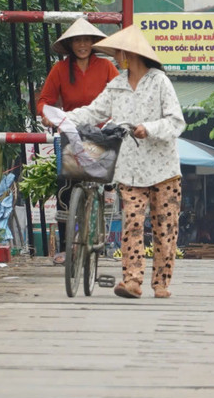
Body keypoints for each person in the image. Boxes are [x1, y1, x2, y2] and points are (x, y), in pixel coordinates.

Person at [59, 25, 185, 299]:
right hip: (128, 168)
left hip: (163, 169)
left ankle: (161, 283)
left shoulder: (160, 81)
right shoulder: (115, 86)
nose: (116, 57)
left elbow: (176, 121)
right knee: (132, 224)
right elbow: (93, 111)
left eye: (120, 52)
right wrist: (62, 118)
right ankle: (132, 281)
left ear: (131, 54)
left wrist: (148, 128)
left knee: (165, 230)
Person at [37, 18, 117, 264]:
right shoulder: (59, 70)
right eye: (77, 41)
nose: (82, 45)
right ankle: (65, 247)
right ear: (70, 44)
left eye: (86, 40)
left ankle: (102, 225)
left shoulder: (105, 67)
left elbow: (121, 94)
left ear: (93, 43)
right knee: (64, 183)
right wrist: (47, 116)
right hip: (71, 132)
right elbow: (44, 102)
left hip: (100, 133)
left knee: (106, 180)